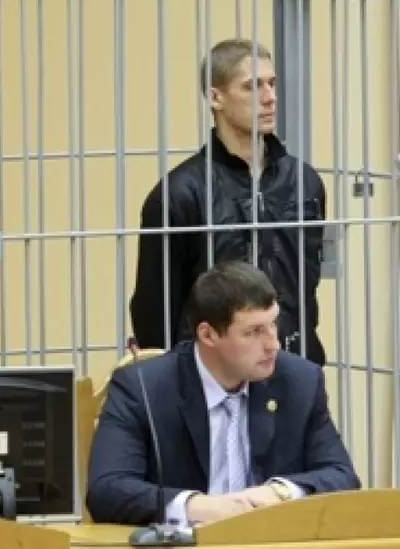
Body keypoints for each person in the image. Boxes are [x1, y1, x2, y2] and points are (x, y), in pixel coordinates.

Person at [88, 261, 358, 526]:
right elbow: (107, 490)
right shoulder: (143, 388)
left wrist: (280, 492)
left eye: (273, 324)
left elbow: (342, 476)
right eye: (253, 332)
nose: (273, 344)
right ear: (208, 335)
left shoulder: (300, 381)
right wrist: (198, 506)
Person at [129, 38, 328, 366]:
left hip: (292, 364)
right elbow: (154, 309)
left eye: (272, 83)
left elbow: (307, 288)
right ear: (216, 97)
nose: (270, 97)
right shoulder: (180, 193)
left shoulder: (304, 182)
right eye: (252, 86)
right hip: (211, 373)